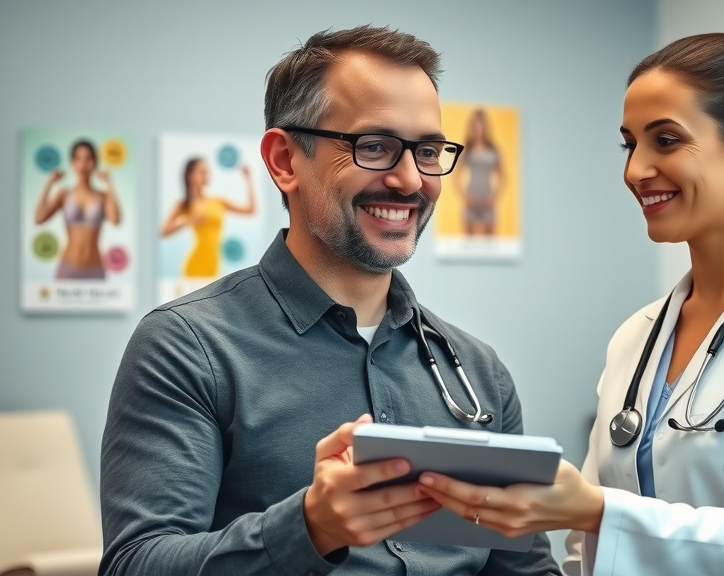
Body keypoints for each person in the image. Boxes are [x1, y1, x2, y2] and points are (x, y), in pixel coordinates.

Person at [417, 33, 724, 576]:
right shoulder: (636, 336)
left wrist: (597, 510)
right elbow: (583, 551)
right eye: (629, 145)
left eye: (666, 140)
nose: (635, 170)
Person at [100, 25, 559, 576]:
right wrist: (309, 528)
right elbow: (136, 563)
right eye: (374, 146)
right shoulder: (188, 348)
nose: (410, 180)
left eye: (427, 151)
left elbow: (526, 569)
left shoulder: (480, 373)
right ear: (285, 160)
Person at [34, 139, 121, 279]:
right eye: (78, 158)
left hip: (95, 270)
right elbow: (39, 218)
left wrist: (110, 184)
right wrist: (49, 183)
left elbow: (116, 220)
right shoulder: (64, 194)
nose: (83, 164)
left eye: (88, 159)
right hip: (68, 269)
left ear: (95, 162)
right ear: (72, 162)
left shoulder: (103, 196)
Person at [159, 157, 257, 277]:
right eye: (202, 171)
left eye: (207, 171)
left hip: (214, 265)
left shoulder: (218, 201)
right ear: (190, 175)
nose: (206, 174)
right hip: (195, 265)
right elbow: (163, 231)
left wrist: (248, 180)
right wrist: (188, 220)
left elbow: (250, 210)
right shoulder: (185, 204)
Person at [454, 108, 504, 236]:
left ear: (485, 127)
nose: (478, 129)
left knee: (490, 240)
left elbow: (503, 176)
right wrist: (464, 196)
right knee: (468, 239)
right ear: (472, 127)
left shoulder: (493, 150)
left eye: (481, 125)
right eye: (475, 125)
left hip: (487, 196)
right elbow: (455, 176)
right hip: (472, 196)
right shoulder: (467, 149)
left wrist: (495, 196)